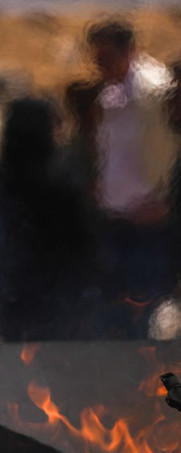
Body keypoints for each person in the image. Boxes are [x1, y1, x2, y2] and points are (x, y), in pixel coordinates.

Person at [66, 19, 180, 337]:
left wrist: (163, 198)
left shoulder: (155, 90)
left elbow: (169, 150)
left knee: (148, 303)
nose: (100, 66)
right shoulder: (109, 95)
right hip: (115, 216)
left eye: (106, 58)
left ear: (127, 51)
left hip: (147, 216)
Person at [0, 98, 93, 340]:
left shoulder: (59, 184)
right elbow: (81, 248)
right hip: (53, 305)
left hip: (18, 301)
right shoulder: (63, 185)